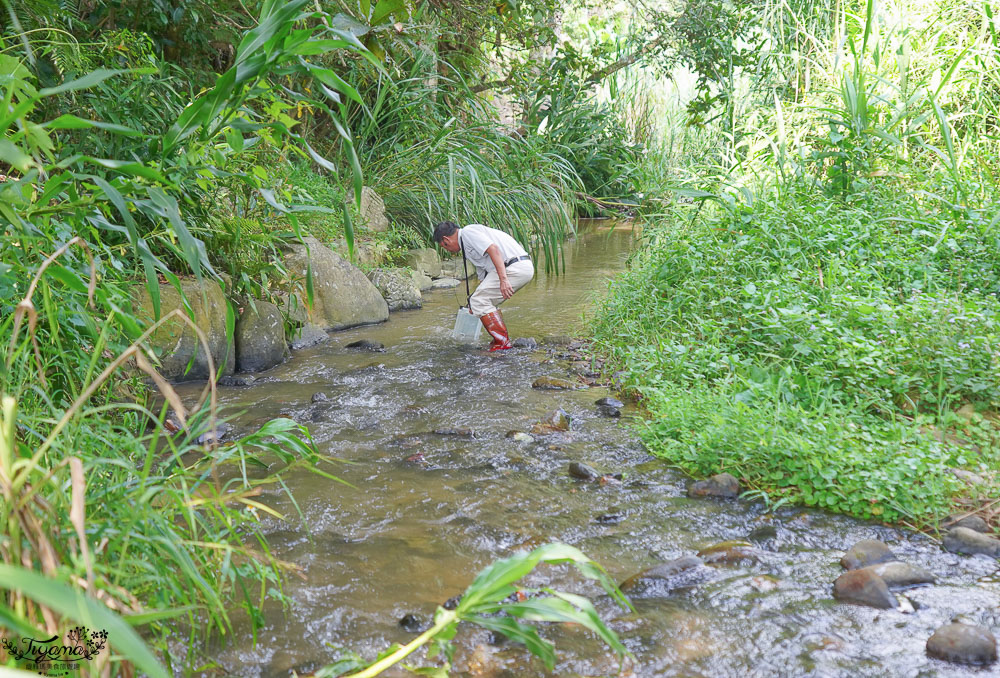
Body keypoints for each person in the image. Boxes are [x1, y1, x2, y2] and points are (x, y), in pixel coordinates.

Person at [432, 221, 533, 351]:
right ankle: (500, 342)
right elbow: (484, 277)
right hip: (517, 267)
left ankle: (502, 343)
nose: (448, 251)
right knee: (479, 301)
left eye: (445, 247)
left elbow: (494, 250)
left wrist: (503, 279)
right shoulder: (467, 244)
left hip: (514, 267)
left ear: (446, 240)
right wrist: (473, 304)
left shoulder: (468, 233)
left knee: (480, 301)